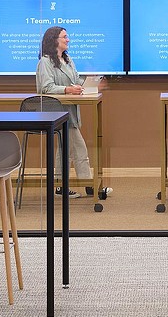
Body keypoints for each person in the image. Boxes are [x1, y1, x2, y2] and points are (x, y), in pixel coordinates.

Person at [35, 26, 112, 198]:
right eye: (64, 37)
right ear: (54, 39)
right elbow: (45, 87)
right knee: (79, 149)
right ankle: (90, 187)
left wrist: (92, 83)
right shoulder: (45, 62)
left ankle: (60, 187)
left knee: (65, 150)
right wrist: (68, 90)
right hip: (56, 112)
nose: (68, 39)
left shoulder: (68, 60)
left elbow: (77, 81)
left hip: (69, 112)